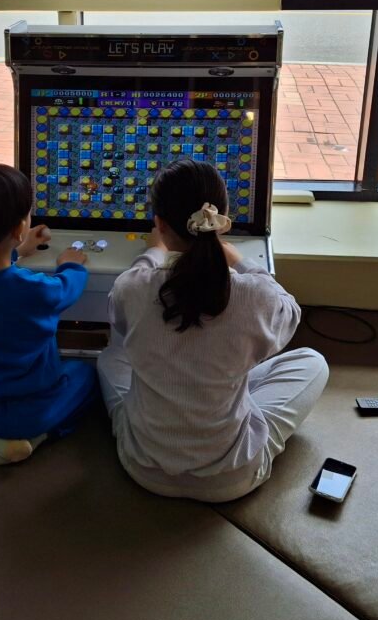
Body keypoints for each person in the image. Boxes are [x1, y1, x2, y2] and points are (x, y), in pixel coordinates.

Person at [97, 160, 329, 502]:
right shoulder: (256, 295)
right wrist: (239, 260)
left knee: (110, 355)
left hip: (143, 469)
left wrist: (153, 251)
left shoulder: (133, 287)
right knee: (313, 362)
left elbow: (120, 313)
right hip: (231, 480)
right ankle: (224, 388)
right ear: (223, 221)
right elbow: (289, 312)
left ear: (159, 224)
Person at [0, 164, 97, 466]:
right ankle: (37, 438)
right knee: (87, 375)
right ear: (19, 228)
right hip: (32, 411)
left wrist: (19, 249)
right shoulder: (34, 289)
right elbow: (66, 288)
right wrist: (72, 263)